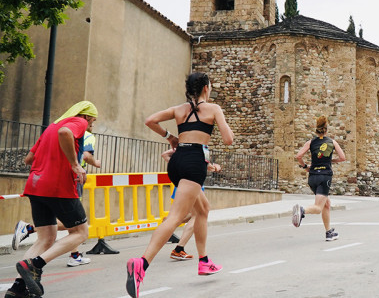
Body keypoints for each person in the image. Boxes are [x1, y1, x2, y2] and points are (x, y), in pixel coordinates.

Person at [126, 72, 233, 298]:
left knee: (202, 210)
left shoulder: (179, 109)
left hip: (176, 161)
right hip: (195, 162)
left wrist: (170, 136)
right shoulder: (213, 109)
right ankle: (141, 264)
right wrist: (222, 123)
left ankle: (204, 261)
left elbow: (150, 120)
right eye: (210, 86)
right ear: (205, 88)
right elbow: (228, 139)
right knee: (175, 217)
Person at [5, 101, 98, 298]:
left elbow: (28, 159)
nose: (91, 126)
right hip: (59, 186)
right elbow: (65, 133)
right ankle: (35, 265)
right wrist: (74, 164)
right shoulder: (77, 122)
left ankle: (18, 288)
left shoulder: (50, 127)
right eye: (93, 121)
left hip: (35, 186)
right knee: (81, 232)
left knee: (46, 238)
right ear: (87, 116)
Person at [11, 129, 101, 268]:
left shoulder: (50, 132)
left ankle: (74, 255)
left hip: (40, 182)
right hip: (70, 180)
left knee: (72, 225)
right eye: (92, 120)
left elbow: (29, 159)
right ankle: (29, 229)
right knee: (77, 226)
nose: (92, 123)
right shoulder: (85, 134)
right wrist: (95, 163)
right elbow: (86, 156)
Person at [160, 149, 222, 261]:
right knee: (198, 215)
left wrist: (178, 167)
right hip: (193, 183)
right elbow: (206, 165)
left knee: (189, 215)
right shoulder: (200, 145)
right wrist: (215, 167)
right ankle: (178, 249)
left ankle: (167, 223)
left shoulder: (184, 143)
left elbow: (165, 155)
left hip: (183, 183)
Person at [292, 115, 346, 241]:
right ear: (326, 130)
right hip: (324, 177)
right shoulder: (332, 142)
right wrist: (331, 161)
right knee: (318, 207)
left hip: (312, 178)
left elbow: (299, 156)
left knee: (326, 203)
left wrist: (305, 166)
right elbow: (343, 157)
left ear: (316, 130)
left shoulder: (310, 142)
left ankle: (328, 232)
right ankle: (302, 210)